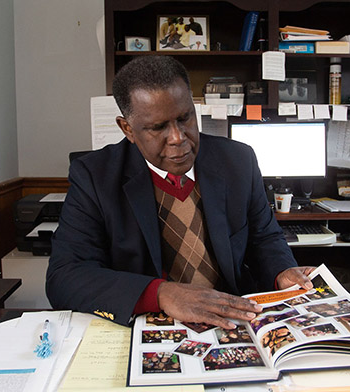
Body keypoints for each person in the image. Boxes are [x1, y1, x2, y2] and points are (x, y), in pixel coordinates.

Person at [46, 56, 313, 328]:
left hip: (233, 319)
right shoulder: (94, 176)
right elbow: (65, 277)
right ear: (127, 128)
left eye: (185, 118)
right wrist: (161, 293)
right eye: (158, 127)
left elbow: (264, 238)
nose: (178, 138)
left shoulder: (238, 160)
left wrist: (282, 271)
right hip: (149, 324)